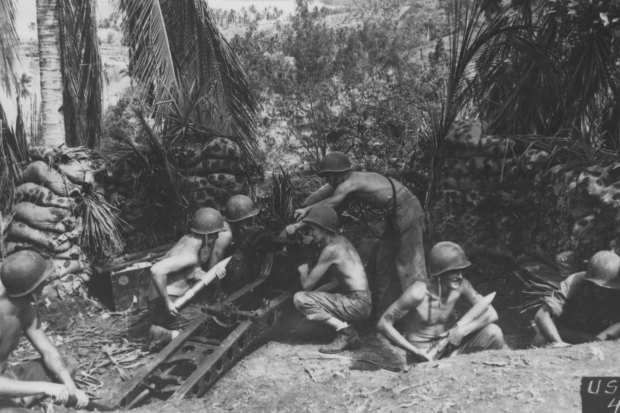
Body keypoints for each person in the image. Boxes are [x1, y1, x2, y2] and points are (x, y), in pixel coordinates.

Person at [293, 151, 426, 315]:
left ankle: (421, 320)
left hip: (407, 210)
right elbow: (326, 196)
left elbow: (331, 203)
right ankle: (386, 317)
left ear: (339, 175)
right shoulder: (351, 177)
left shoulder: (348, 183)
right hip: (394, 216)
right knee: (383, 264)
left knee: (409, 267)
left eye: (328, 177)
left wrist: (305, 212)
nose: (328, 181)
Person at [377, 242, 505, 363]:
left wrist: (463, 331)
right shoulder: (418, 293)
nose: (459, 276)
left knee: (494, 332)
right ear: (439, 274)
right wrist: (415, 352)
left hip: (448, 349)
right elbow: (383, 324)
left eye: (461, 271)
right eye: (453, 271)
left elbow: (492, 313)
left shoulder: (461, 286)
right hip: (423, 357)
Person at [0, 250, 89, 411]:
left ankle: (19, 401)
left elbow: (48, 351)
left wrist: (71, 388)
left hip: (6, 377)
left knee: (66, 366)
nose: (47, 284)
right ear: (33, 291)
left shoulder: (25, 308)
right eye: (44, 282)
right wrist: (45, 387)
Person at [147, 207, 232, 349]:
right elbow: (156, 270)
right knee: (209, 325)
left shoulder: (188, 240)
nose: (217, 238)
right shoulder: (190, 256)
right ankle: (165, 334)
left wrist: (209, 275)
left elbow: (189, 271)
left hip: (158, 301)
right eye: (216, 234)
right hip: (164, 305)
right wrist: (167, 302)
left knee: (205, 313)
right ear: (207, 236)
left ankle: (164, 325)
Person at [292, 205, 372, 353]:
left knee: (299, 299)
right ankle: (351, 326)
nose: (311, 234)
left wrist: (303, 271)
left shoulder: (331, 250)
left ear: (323, 228)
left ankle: (346, 332)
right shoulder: (341, 241)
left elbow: (306, 286)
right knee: (302, 328)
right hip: (362, 302)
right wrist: (315, 300)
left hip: (356, 304)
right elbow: (336, 282)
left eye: (312, 229)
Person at [532, 250, 620, 347]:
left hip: (593, 335)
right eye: (600, 288)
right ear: (590, 282)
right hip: (566, 330)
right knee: (541, 339)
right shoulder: (575, 283)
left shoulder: (617, 291)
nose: (605, 293)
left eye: (610, 290)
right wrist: (558, 342)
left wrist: (598, 341)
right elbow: (541, 315)